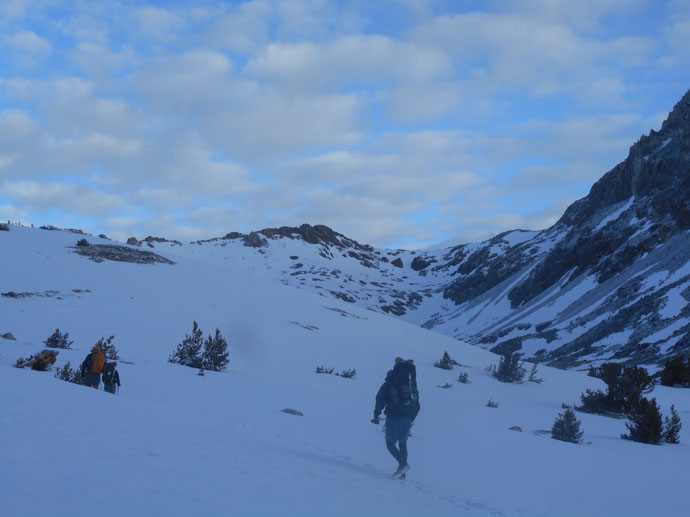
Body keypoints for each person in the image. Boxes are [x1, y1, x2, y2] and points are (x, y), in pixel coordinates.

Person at [371, 357, 420, 479]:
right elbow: (418, 404)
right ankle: (402, 474)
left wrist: (376, 414)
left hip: (394, 416)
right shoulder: (411, 383)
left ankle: (403, 465)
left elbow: (380, 399)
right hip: (408, 418)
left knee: (390, 444)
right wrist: (412, 417)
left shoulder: (389, 383)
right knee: (403, 443)